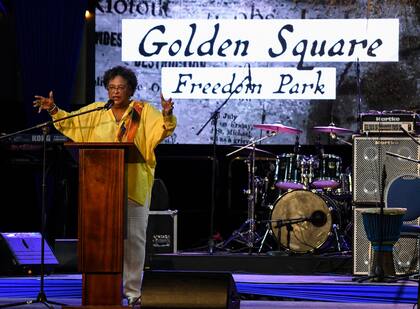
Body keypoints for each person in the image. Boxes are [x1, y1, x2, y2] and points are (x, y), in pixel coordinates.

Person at [33, 65, 177, 306]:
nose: (115, 92)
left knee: (134, 241)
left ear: (130, 89)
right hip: (101, 189)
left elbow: (164, 130)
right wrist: (54, 110)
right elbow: (70, 124)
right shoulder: (97, 111)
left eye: (121, 87)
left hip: (134, 186)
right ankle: (101, 290)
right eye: (111, 87)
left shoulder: (143, 111)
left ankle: (132, 293)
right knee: (99, 239)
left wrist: (167, 114)